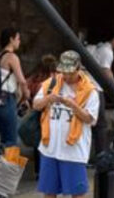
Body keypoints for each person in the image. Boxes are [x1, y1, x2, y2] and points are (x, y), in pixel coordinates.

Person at [32, 50, 101, 198]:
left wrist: (73, 106)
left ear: (78, 69)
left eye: (70, 72)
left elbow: (90, 119)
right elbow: (36, 105)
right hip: (49, 148)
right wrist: (48, 98)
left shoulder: (90, 91)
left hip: (73, 151)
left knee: (77, 193)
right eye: (64, 72)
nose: (67, 76)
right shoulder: (51, 83)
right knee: (49, 192)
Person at [0, 28, 30, 150]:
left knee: (4, 140)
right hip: (6, 99)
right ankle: (6, 168)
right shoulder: (11, 57)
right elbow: (22, 81)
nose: (19, 41)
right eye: (18, 38)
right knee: (11, 141)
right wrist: (26, 96)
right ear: (11, 39)